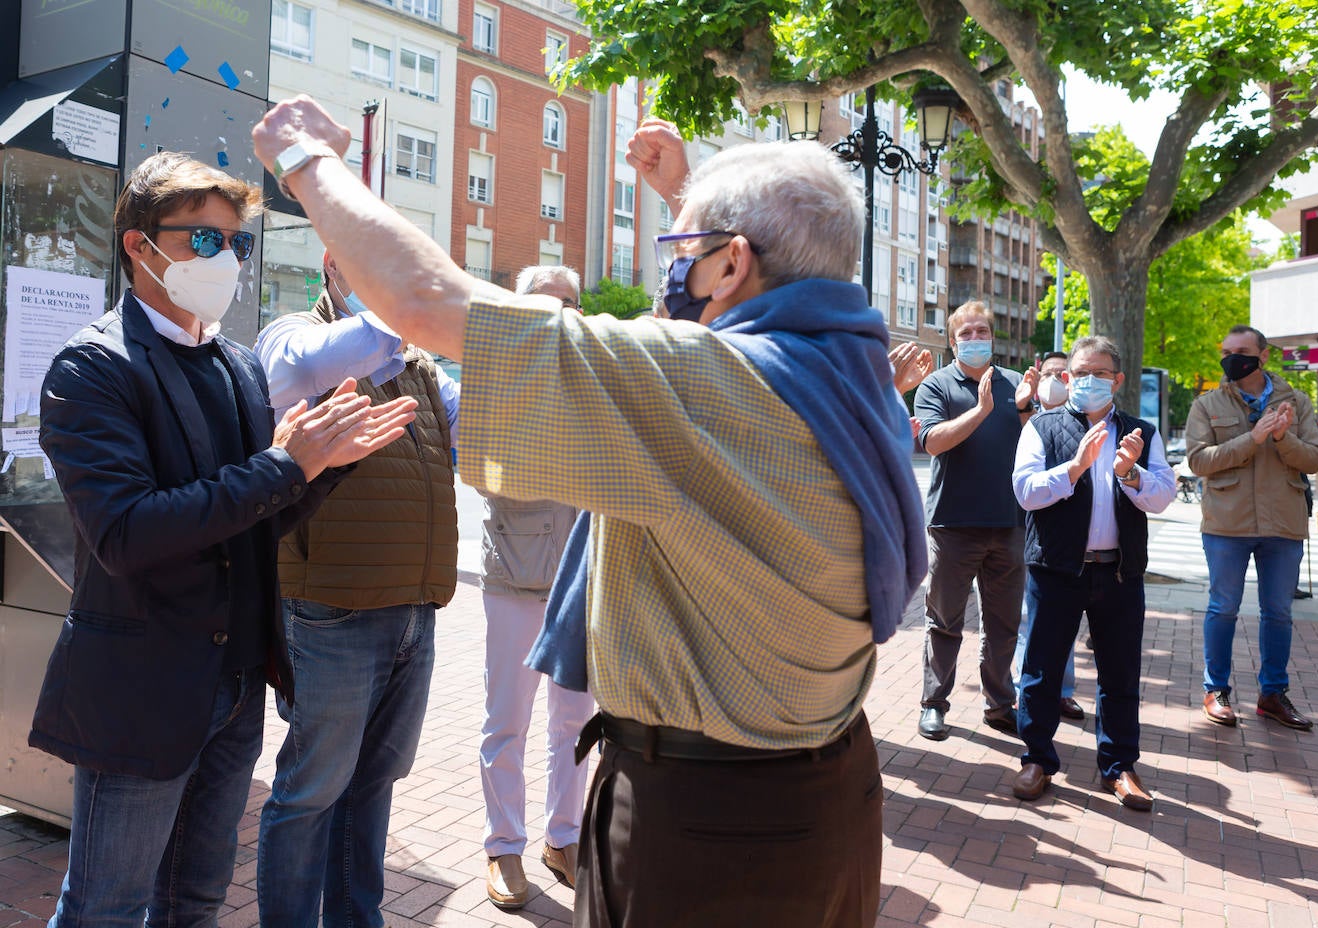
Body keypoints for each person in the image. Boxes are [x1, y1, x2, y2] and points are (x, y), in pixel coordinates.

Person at [251, 101, 926, 928]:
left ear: (731, 264)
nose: (670, 275)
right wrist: (691, 191)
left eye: (683, 253)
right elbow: (743, 292)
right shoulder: (851, 371)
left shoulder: (707, 383)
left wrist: (305, 159)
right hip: (827, 798)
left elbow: (425, 300)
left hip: (707, 826)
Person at [30, 152, 415, 928]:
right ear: (140, 246)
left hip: (235, 684)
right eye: (204, 241)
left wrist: (323, 468)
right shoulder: (93, 367)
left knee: (196, 902)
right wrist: (287, 463)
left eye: (236, 244)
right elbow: (127, 533)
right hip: (145, 686)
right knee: (105, 906)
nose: (227, 260)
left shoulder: (236, 366)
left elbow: (254, 523)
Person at [252, 249, 462, 927]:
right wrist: (411, 307)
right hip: (330, 616)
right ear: (333, 268)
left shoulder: (422, 373)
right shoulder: (291, 338)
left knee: (371, 788)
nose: (399, 291)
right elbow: (326, 356)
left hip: (413, 616)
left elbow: (489, 419)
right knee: (310, 792)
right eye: (382, 269)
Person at [1009, 336, 1176, 810]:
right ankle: (1036, 758)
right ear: (1065, 378)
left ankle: (1119, 767)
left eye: (1098, 374)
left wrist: (1130, 474)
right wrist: (1076, 467)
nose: (1086, 382)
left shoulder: (1141, 432)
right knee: (1040, 671)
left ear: (1118, 380)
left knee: (1119, 673)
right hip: (1057, 569)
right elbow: (1025, 491)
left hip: (1118, 573)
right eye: (1078, 373)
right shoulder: (1042, 427)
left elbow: (1162, 496)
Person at [479, 266, 597, 910]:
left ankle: (564, 838)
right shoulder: (498, 380)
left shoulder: (594, 381)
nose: (556, 315)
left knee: (574, 723)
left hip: (579, 582)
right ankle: (503, 847)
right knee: (508, 723)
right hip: (515, 580)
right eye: (542, 305)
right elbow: (490, 476)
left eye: (567, 305)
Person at [1186, 324, 1318, 731]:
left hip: (1283, 523)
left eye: (1242, 351)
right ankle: (1216, 690)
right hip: (1227, 523)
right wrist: (1253, 438)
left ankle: (1273, 694)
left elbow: (1315, 459)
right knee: (1223, 607)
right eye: (1227, 351)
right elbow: (1199, 461)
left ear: (1263, 356)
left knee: (1278, 612)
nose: (1232, 358)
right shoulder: (1206, 404)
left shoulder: (1296, 402)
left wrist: (1282, 438)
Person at [911, 301, 1039, 740]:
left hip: (1009, 524)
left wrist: (1024, 410)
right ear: (952, 341)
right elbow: (932, 443)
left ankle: (1000, 704)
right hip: (954, 525)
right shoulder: (936, 386)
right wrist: (981, 410)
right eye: (965, 333)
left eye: (981, 331)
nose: (974, 338)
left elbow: (1034, 447)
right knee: (944, 621)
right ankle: (933, 703)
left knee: (1003, 625)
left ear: (993, 336)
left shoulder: (1014, 384)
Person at [1011, 350, 1086, 719]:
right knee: (1028, 618)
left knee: (1062, 621)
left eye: (1063, 373)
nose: (1056, 379)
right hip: (1019, 528)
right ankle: (1021, 689)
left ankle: (1063, 690)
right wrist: (1022, 406)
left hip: (1061, 536)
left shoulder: (1082, 421)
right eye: (1049, 373)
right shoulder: (1023, 413)